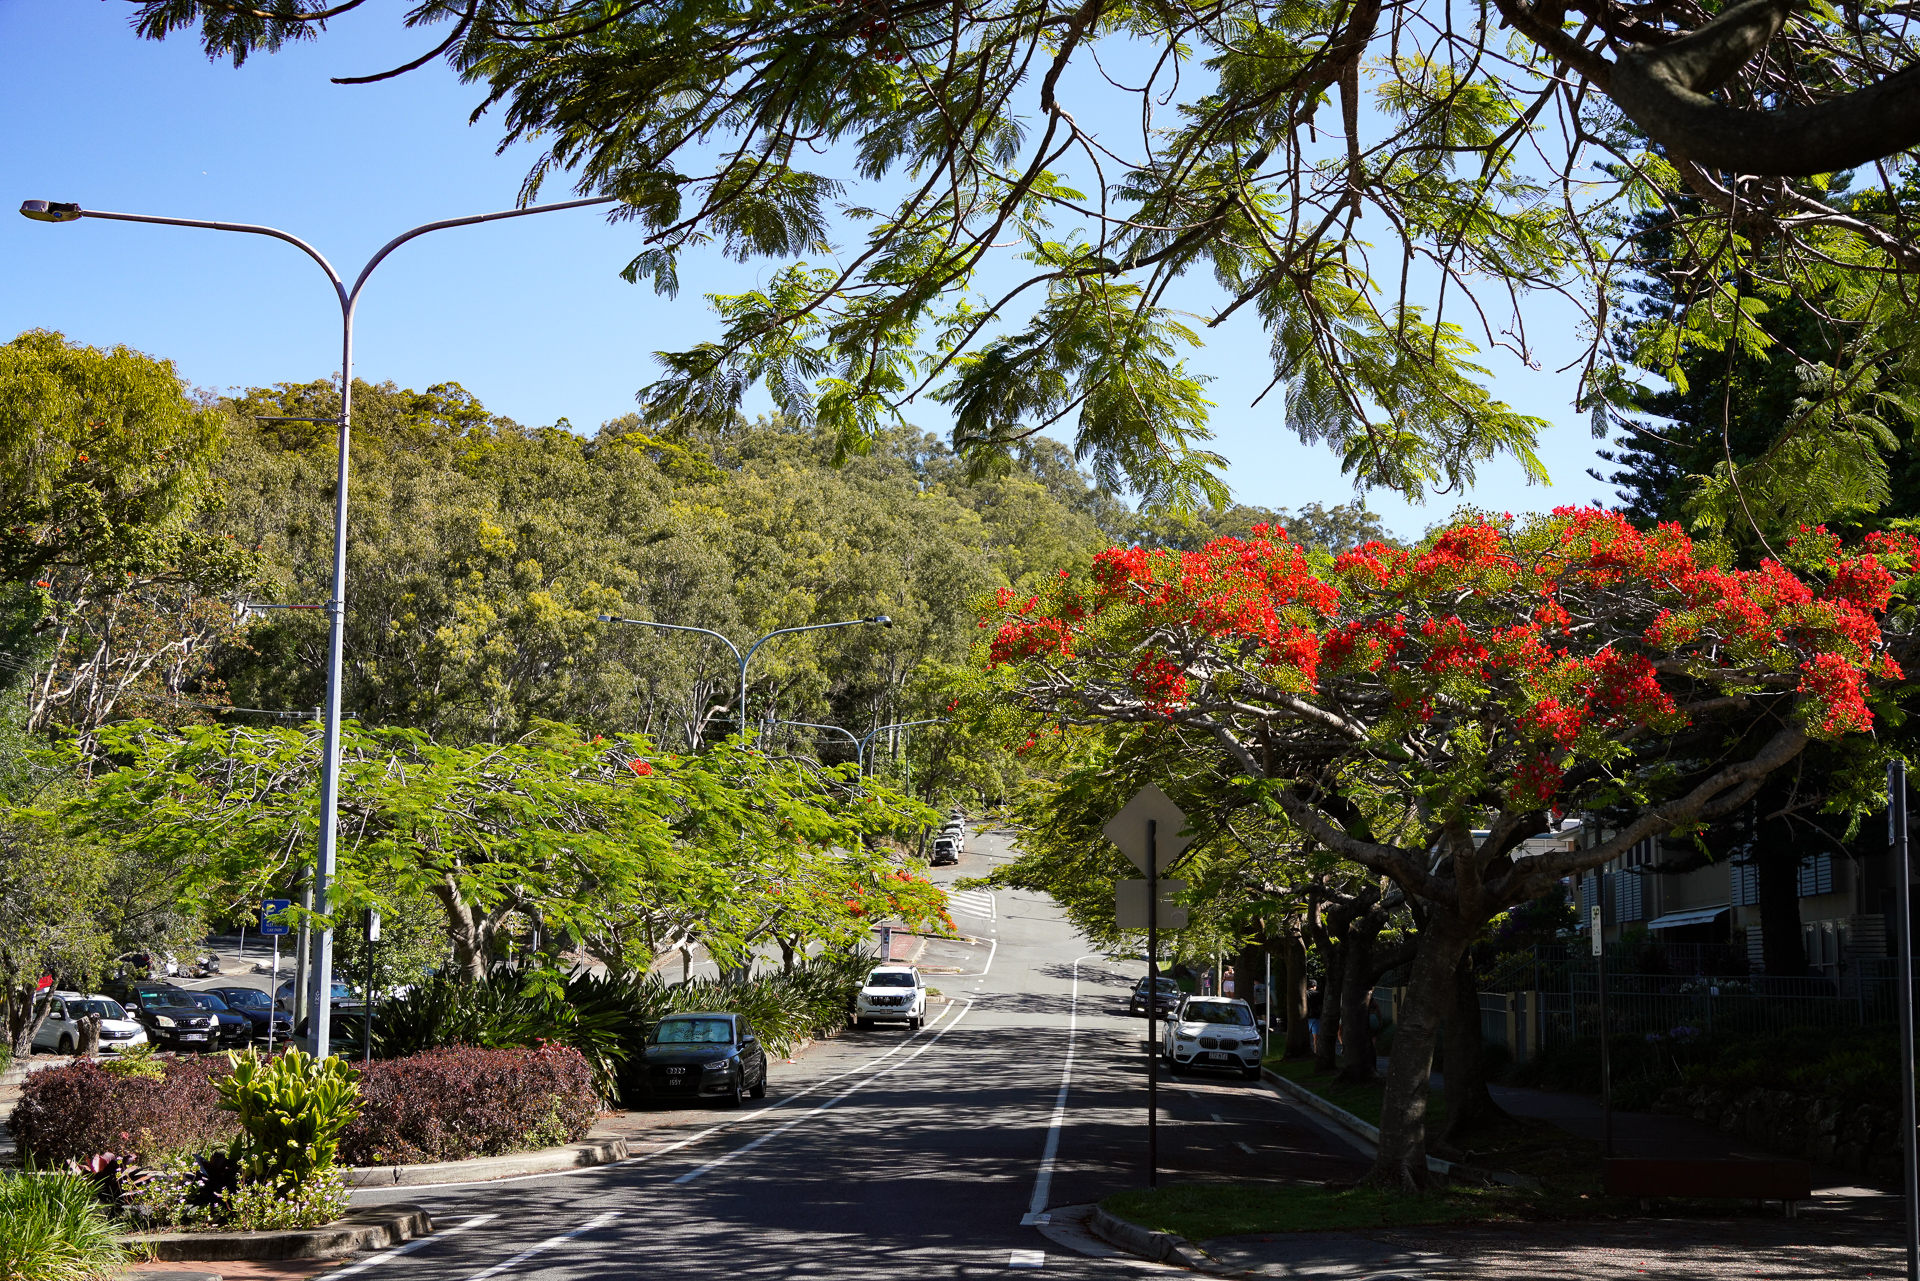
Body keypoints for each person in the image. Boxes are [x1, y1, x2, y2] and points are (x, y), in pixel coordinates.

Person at [1305, 981, 1323, 1052]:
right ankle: (1316, 1051)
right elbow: (1321, 1004)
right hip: (1316, 1015)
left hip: (1307, 1016)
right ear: (1315, 986)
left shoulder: (1305, 993)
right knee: (1316, 1036)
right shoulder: (1318, 993)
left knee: (1306, 1034)